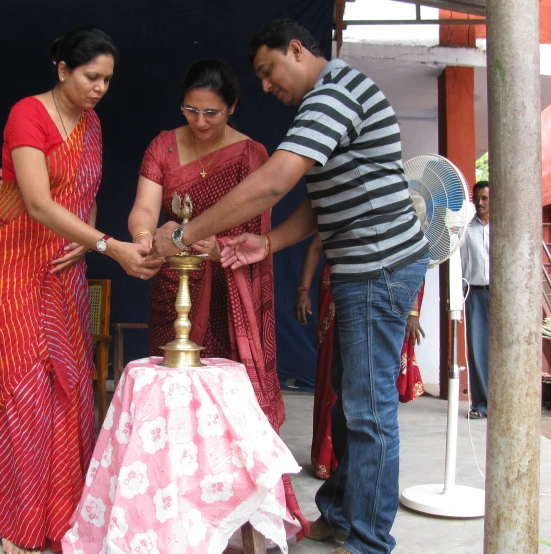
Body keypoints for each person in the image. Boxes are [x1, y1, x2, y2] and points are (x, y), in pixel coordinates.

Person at [151, 19, 429, 554]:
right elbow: (320, 203)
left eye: (267, 70)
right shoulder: (321, 103)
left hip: (378, 266)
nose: (265, 85)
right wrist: (269, 243)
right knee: (350, 404)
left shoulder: (336, 92)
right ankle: (344, 512)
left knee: (369, 410)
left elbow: (277, 180)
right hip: (357, 268)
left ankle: (370, 542)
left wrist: (186, 231)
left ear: (296, 50)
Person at [0, 27, 161, 554]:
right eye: (90, 76)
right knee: (26, 383)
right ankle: (18, 519)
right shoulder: (27, 113)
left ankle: (66, 506)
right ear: (62, 70)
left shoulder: (93, 124)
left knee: (72, 380)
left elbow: (86, 195)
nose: (100, 88)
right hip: (12, 258)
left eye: (107, 80)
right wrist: (108, 246)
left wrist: (87, 242)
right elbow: (35, 202)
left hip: (65, 261)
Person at [125, 57, 305, 526]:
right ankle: (173, 505)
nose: (200, 123)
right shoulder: (163, 146)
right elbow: (144, 209)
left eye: (212, 113)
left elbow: (257, 233)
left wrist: (215, 244)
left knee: (231, 402)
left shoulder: (252, 155)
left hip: (230, 289)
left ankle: (239, 511)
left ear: (233, 108)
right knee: (176, 397)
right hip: (174, 286)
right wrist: (146, 238)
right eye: (191, 111)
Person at [296, 234, 426, 480]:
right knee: (333, 378)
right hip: (338, 290)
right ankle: (329, 459)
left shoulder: (398, 214)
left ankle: (364, 470)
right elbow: (315, 245)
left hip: (377, 292)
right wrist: (303, 290)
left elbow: (415, 257)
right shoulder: (341, 211)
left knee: (369, 386)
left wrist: (412, 309)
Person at [460, 180, 490, 419]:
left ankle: (501, 402)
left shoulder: (503, 227)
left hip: (502, 295)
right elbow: (459, 262)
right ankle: (480, 404)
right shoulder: (467, 228)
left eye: (485, 198)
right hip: (475, 294)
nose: (479, 203)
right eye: (477, 198)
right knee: (477, 347)